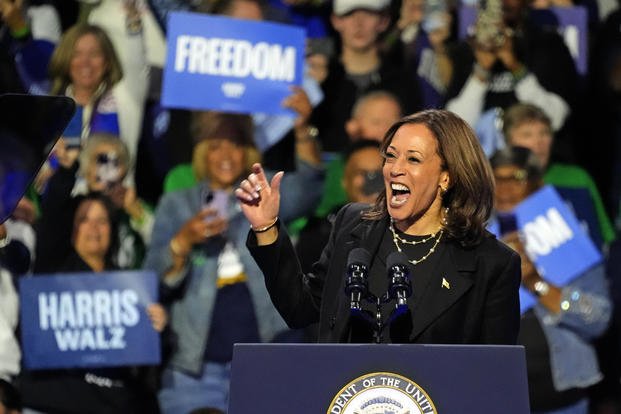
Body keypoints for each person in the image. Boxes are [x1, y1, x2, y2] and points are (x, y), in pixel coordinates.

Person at [237, 109, 521, 344]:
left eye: (413, 159)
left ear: (446, 177)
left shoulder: (492, 263)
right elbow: (301, 309)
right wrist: (266, 227)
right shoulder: (354, 225)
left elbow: (493, 373)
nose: (394, 168)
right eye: (390, 155)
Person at [143, 110, 324, 413]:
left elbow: (309, 188)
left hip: (270, 362)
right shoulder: (177, 204)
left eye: (235, 144)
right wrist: (182, 241)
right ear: (201, 154)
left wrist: (303, 128)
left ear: (248, 152)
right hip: (194, 371)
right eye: (215, 146)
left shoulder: (264, 195)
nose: (226, 154)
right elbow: (150, 279)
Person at [19, 192, 167, 414]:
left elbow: (144, 372)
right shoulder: (51, 274)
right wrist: (66, 169)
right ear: (70, 229)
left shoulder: (132, 287)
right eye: (84, 220)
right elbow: (52, 217)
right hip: (54, 404)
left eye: (102, 221)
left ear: (112, 229)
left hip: (115, 404)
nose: (93, 228)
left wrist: (158, 327)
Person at [490, 146, 612, 414]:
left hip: (563, 399)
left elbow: (598, 318)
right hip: (495, 397)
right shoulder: (473, 236)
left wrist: (536, 282)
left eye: (517, 177)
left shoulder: (567, 238)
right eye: (497, 179)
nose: (506, 188)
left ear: (536, 183)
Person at [310, 0, 423, 154]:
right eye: (349, 14)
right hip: (323, 172)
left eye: (368, 14)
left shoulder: (404, 83)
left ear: (384, 21)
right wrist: (311, 90)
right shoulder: (318, 80)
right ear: (336, 21)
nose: (358, 23)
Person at [502, 103, 615, 247]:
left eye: (544, 133)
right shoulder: (497, 187)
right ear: (509, 143)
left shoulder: (577, 178)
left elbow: (607, 239)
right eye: (527, 135)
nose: (539, 142)